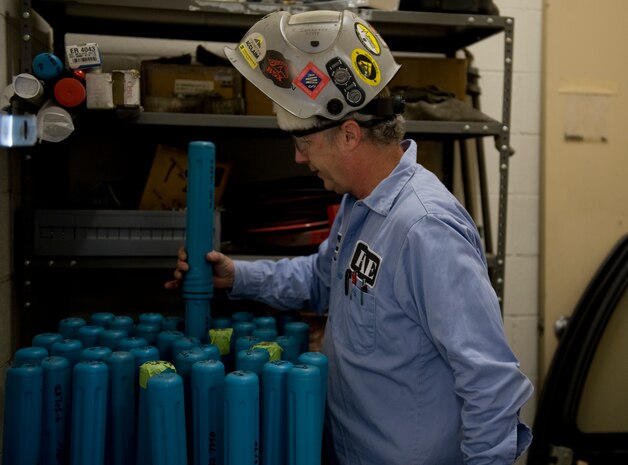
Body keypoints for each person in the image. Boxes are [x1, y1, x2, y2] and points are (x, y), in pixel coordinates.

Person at [165, 9, 533, 465]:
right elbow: (323, 281)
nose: (299, 159)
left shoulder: (424, 228)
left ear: (350, 135)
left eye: (304, 144)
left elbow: (492, 383)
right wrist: (236, 276)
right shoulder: (359, 204)